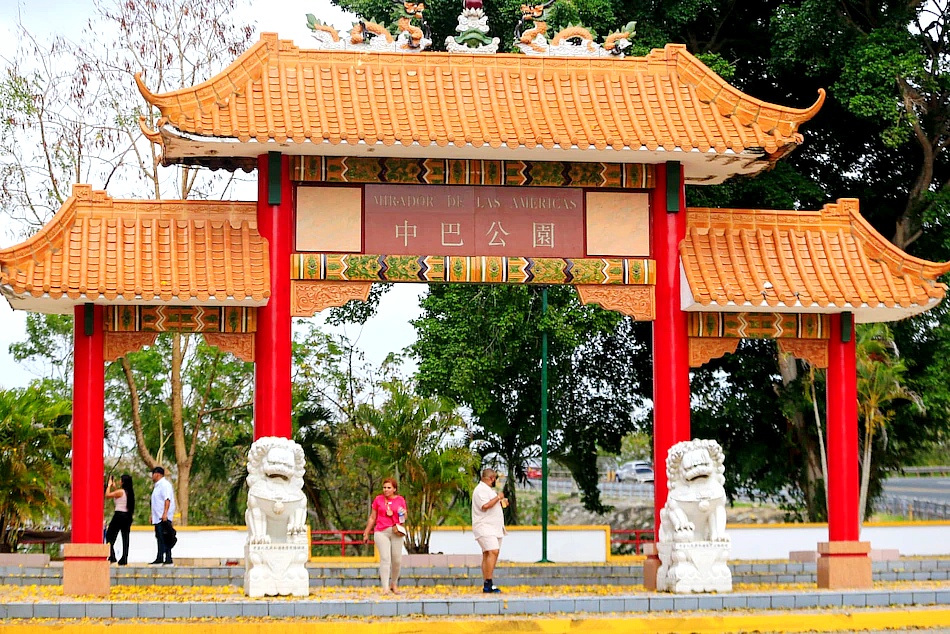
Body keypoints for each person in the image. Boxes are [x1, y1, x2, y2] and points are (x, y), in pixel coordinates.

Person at [362, 477, 407, 594]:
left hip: (396, 531)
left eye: (389, 488)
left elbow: (403, 518)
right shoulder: (378, 500)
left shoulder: (400, 500)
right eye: (384, 487)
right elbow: (372, 517)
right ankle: (385, 587)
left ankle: (394, 583)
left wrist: (403, 514)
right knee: (385, 558)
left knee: (397, 560)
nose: (386, 490)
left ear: (394, 489)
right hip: (381, 531)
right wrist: (366, 532)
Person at [472, 468, 507, 593]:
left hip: (494, 527)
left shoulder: (488, 490)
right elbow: (485, 506)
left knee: (488, 553)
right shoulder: (480, 490)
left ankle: (487, 583)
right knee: (493, 551)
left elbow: (491, 504)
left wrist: (501, 501)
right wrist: (498, 497)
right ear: (491, 478)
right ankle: (488, 582)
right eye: (495, 479)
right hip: (484, 526)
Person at [104, 474, 135, 566]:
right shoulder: (129, 492)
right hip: (127, 516)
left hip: (119, 515)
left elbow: (107, 495)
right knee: (125, 537)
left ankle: (112, 555)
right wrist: (114, 487)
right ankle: (124, 557)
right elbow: (119, 495)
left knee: (110, 535)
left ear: (123, 482)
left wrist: (109, 485)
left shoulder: (120, 492)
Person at [149, 466, 176, 566]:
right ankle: (159, 557)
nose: (152, 476)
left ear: (157, 474)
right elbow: (155, 502)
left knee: (166, 537)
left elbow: (167, 499)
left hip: (163, 517)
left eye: (153, 474)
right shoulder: (157, 486)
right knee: (159, 537)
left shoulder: (165, 485)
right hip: (157, 517)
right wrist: (152, 515)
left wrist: (165, 513)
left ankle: (168, 558)